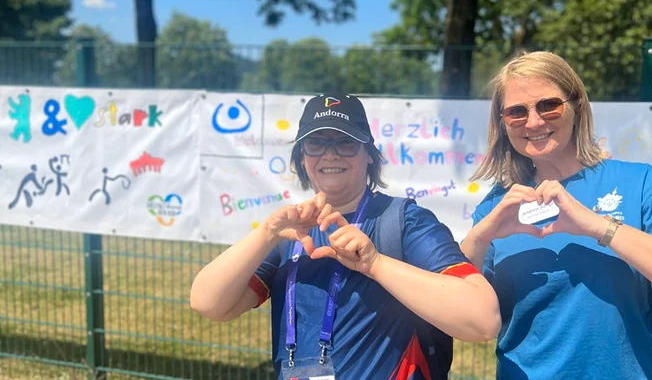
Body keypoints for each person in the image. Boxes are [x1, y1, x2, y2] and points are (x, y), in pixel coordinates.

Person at [460, 51, 652, 380]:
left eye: (549, 105)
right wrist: (478, 238)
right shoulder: (497, 208)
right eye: (517, 112)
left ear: (577, 107)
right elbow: (465, 323)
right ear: (503, 124)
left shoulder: (642, 184)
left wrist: (599, 227)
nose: (533, 122)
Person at [190, 92, 500, 380]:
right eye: (316, 144)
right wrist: (267, 233)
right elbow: (208, 304)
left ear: (368, 154)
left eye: (346, 143)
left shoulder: (405, 221)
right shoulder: (288, 233)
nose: (331, 155)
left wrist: (375, 264)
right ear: (301, 158)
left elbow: (483, 320)